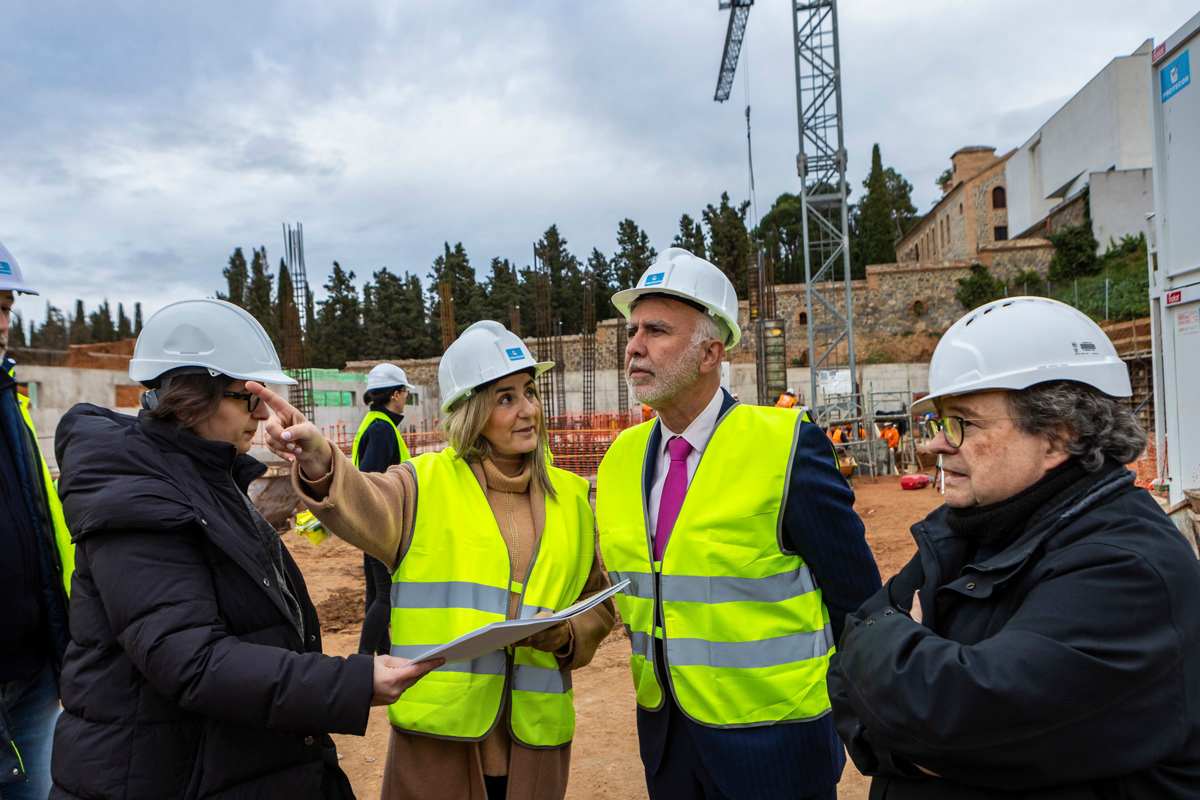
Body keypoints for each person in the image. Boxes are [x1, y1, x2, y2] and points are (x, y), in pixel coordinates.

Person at [49, 299, 438, 799]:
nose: (261, 414)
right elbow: (191, 661)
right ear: (192, 395)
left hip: (223, 762)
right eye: (247, 398)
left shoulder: (206, 476)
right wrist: (348, 684)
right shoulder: (138, 497)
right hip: (166, 772)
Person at [828, 296, 1200, 799]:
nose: (935, 445)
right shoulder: (967, 529)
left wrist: (883, 653)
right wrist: (914, 747)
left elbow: (957, 717)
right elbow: (847, 681)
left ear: (1056, 436)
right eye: (939, 422)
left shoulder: (1130, 570)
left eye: (963, 422)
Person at [252, 319, 615, 800]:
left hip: (535, 741)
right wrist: (320, 458)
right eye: (505, 398)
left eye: (529, 391)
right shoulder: (422, 486)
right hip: (441, 738)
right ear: (472, 411)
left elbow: (599, 604)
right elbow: (362, 501)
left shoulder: (570, 499)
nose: (528, 409)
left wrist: (566, 634)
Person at [597, 248, 882, 800]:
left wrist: (868, 717)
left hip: (775, 746)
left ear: (710, 352)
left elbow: (858, 601)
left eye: (656, 330)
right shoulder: (620, 461)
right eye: (632, 331)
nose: (634, 347)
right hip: (668, 742)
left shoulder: (786, 446)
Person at [0, 241, 73, 800]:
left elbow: (42, 531)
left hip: (31, 669)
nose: (3, 323)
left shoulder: (11, 403)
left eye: (5, 308)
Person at [354, 363, 413, 656]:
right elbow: (371, 477)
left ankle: (383, 654)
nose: (405, 400)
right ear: (395, 394)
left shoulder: (375, 423)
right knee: (386, 596)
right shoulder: (381, 429)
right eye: (404, 394)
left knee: (376, 593)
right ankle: (363, 659)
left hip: (369, 522)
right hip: (380, 523)